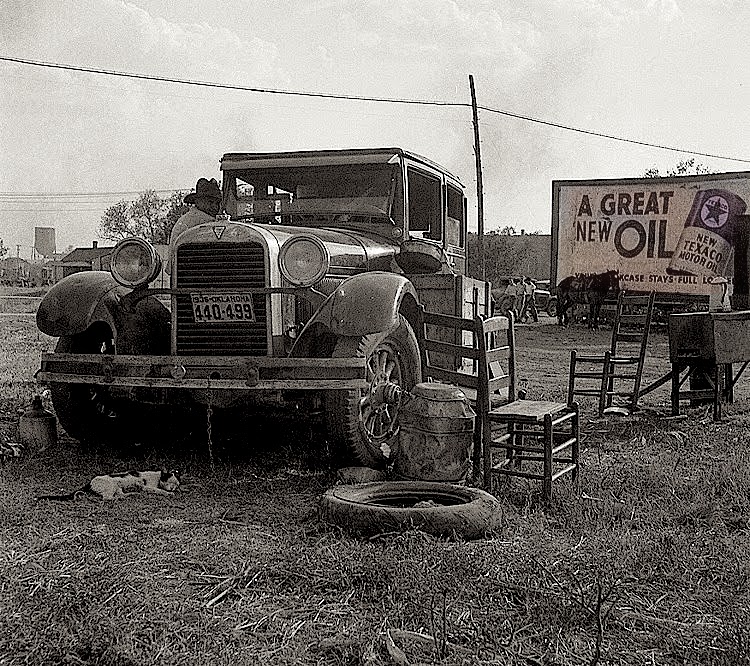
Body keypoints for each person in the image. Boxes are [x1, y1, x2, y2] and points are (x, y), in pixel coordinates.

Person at [168, 178, 223, 246]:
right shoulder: (204, 222)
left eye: (217, 203)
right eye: (210, 202)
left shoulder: (184, 220)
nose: (215, 207)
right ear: (198, 201)